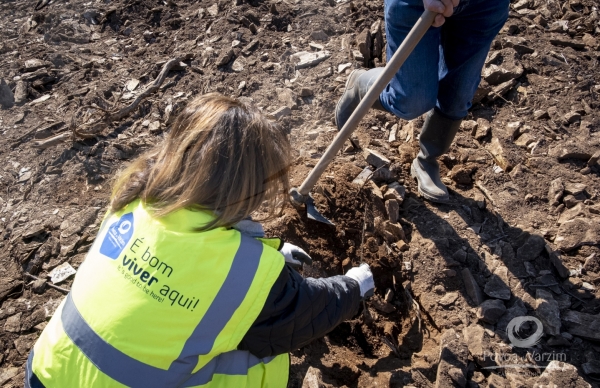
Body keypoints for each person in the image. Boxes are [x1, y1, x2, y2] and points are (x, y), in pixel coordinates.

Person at [26, 93, 375, 388]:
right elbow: (298, 316)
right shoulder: (245, 272)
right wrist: (355, 285)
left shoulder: (135, 196)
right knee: (258, 356)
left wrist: (276, 251)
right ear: (245, 189)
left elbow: (189, 258)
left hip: (48, 369)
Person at [336, 0, 510, 202]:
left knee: (458, 95)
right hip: (415, 4)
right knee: (410, 100)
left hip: (484, 6)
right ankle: (361, 84)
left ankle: (427, 160)